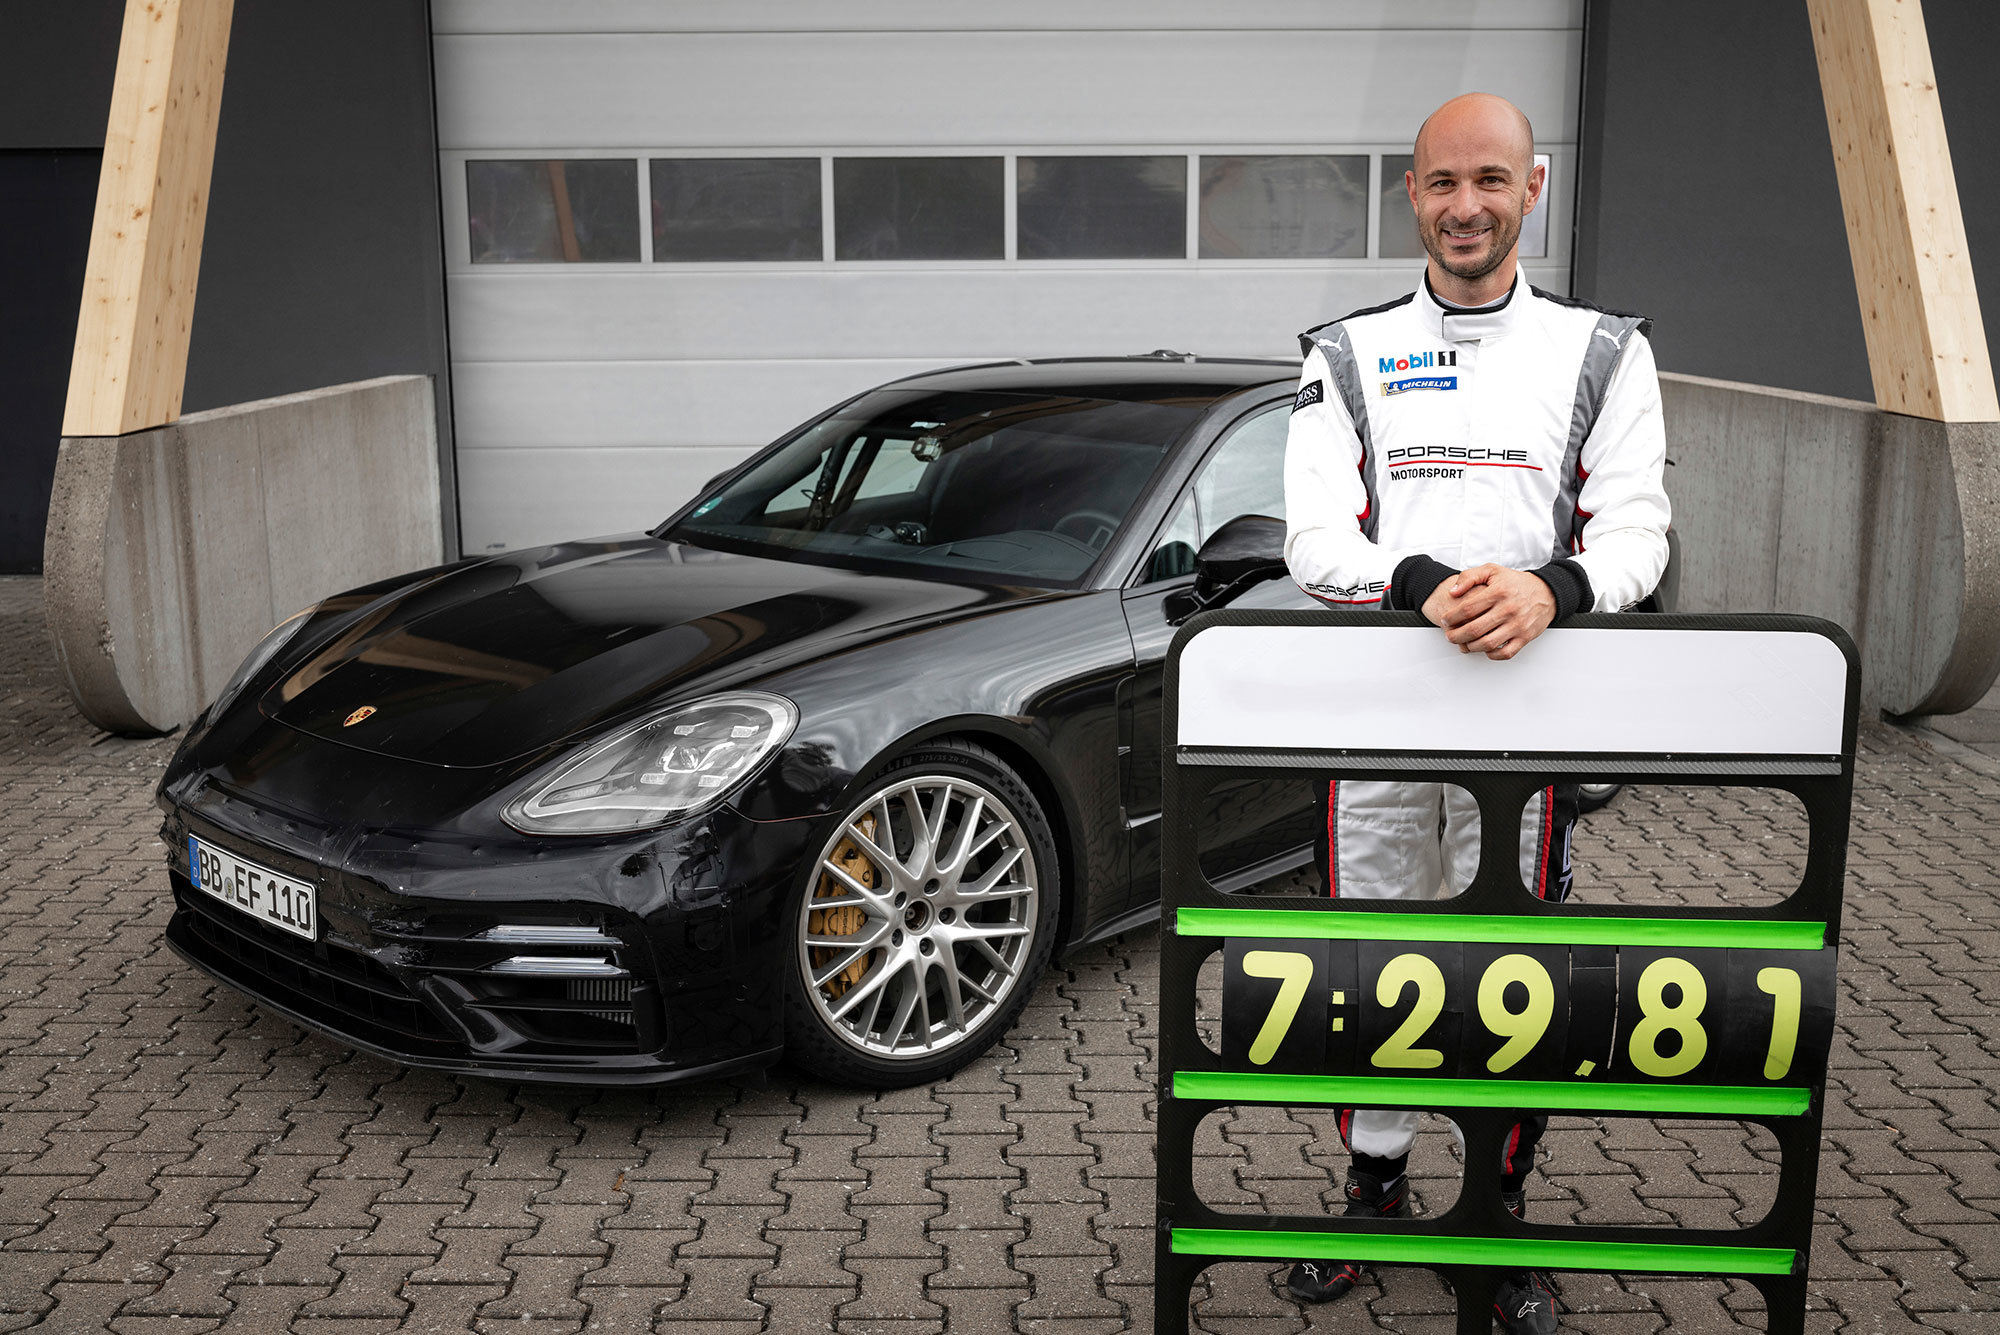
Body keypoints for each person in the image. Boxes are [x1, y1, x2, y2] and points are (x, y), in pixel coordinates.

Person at [1279, 93, 1671, 1333]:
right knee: (1368, 963)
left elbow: (1638, 533)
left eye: (1490, 181)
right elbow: (1310, 539)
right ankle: (1373, 1192)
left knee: (1511, 972)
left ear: (1531, 187)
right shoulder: (1343, 353)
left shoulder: (1601, 348)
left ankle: (1491, 1224)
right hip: (1374, 728)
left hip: (1525, 728)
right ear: (1410, 194)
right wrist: (1413, 583)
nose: (1466, 207)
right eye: (1443, 183)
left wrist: (1553, 590)